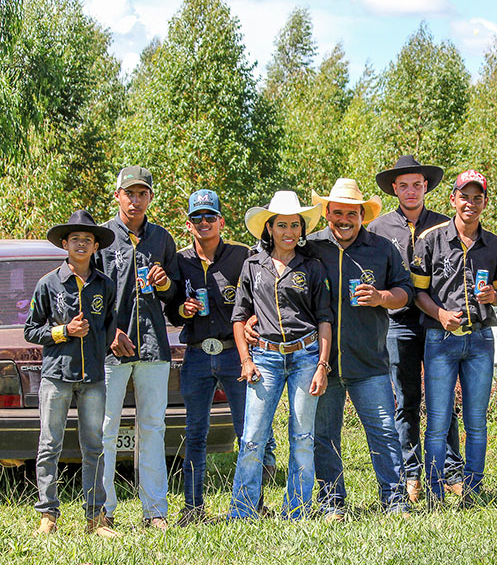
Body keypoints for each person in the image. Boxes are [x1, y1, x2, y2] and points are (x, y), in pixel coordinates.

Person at [308, 178, 413, 520]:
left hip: (370, 361)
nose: (343, 219)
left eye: (350, 213)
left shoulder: (382, 248)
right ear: (327, 213)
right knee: (325, 436)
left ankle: (394, 501)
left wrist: (382, 297)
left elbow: (405, 291)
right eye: (337, 212)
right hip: (323, 364)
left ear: (361, 215)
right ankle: (331, 502)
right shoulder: (311, 247)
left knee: (383, 432)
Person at [225, 191, 333, 520]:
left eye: (295, 225)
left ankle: (297, 509)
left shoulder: (312, 267)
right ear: (269, 228)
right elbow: (239, 317)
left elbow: (324, 319)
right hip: (264, 358)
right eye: (282, 225)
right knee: (253, 436)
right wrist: (245, 359)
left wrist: (322, 366)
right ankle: (243, 511)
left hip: (305, 355)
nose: (289, 232)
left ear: (302, 230)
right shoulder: (252, 265)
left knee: (302, 436)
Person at [368, 155, 465, 502]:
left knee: (443, 399)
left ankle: (450, 469)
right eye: (404, 185)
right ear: (394, 189)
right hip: (397, 324)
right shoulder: (378, 229)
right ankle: (412, 472)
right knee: (405, 400)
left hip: (438, 320)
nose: (411, 191)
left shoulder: (444, 225)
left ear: (427, 187)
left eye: (417, 185)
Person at [410, 170, 497, 502]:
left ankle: (473, 489)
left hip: (480, 339)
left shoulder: (494, 244)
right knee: (438, 421)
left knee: (476, 421)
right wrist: (440, 314)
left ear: (484, 202)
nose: (470, 203)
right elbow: (417, 293)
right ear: (452, 199)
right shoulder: (431, 239)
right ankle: (436, 492)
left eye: (477, 197)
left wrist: (492, 297)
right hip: (441, 339)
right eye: (464, 196)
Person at [25, 210, 119, 537]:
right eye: (75, 239)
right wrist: (63, 331)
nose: (81, 244)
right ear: (65, 244)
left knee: (94, 447)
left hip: (93, 377)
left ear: (96, 246)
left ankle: (96, 518)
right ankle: (48, 515)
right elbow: (31, 330)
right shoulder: (48, 283)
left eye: (88, 240)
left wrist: (99, 347)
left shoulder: (104, 285)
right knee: (50, 444)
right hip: (56, 376)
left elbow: (109, 328)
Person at [97, 166, 179, 529]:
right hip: (111, 349)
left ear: (149, 198)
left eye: (142, 193)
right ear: (117, 195)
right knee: (106, 429)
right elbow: (86, 294)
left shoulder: (161, 238)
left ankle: (155, 512)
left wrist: (165, 285)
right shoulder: (100, 238)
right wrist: (109, 332)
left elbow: (176, 296)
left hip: (153, 347)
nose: (135, 199)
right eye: (129, 193)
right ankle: (102, 511)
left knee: (153, 428)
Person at [165, 189, 250, 526]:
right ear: (188, 224)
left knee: (247, 432)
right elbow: (170, 308)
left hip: (234, 352)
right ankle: (193, 507)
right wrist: (181, 309)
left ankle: (248, 504)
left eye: (209, 216)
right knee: (195, 433)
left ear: (221, 221)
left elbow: (259, 302)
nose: (204, 222)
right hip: (197, 355)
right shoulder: (180, 261)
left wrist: (254, 325)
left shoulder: (242, 256)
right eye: (197, 217)